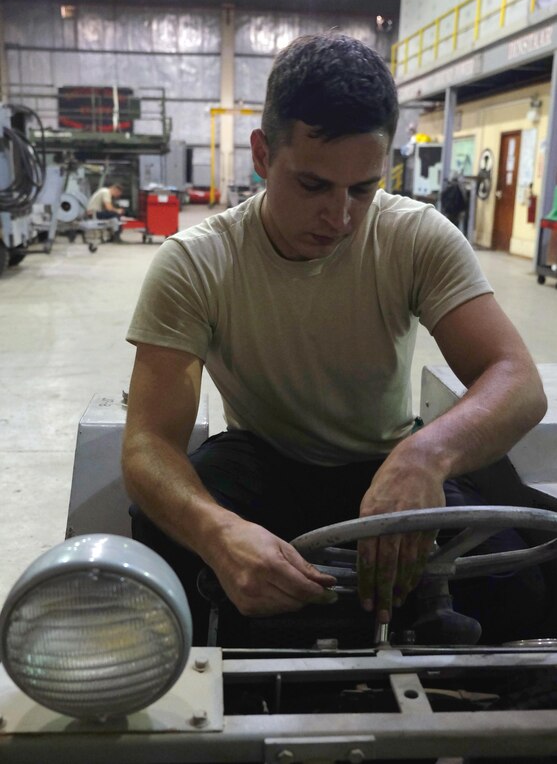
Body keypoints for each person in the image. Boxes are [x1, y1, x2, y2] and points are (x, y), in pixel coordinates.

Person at [122, 33, 547, 645]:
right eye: (314, 186)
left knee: (517, 583)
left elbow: (517, 379)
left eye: (364, 189)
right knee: (163, 550)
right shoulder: (196, 263)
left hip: (386, 463)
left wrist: (426, 455)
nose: (341, 217)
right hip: (263, 464)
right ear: (264, 154)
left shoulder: (414, 238)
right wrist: (217, 534)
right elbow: (146, 446)